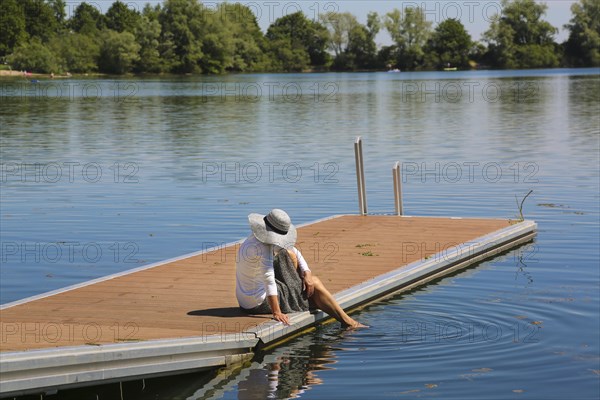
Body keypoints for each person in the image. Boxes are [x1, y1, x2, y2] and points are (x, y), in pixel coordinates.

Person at [236, 209, 367, 328]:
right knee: (315, 283)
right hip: (258, 303)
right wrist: (277, 312)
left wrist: (307, 273)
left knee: (290, 254)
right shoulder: (262, 248)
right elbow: (268, 279)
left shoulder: (255, 239)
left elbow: (294, 251)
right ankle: (348, 322)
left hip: (246, 300)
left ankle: (307, 294)